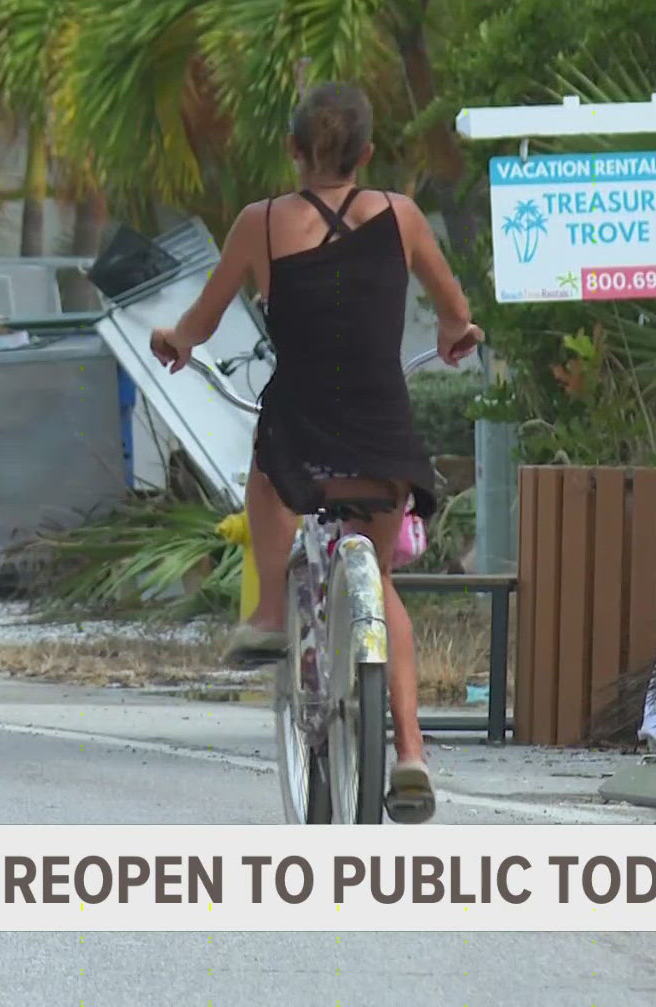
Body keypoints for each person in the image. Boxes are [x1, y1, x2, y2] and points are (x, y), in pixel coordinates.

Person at [150, 81, 483, 823]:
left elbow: (199, 324)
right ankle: (411, 755)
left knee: (267, 475)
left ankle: (271, 613)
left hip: (301, 424)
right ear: (367, 153)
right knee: (383, 581)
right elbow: (456, 314)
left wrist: (175, 341)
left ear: (294, 151)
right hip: (383, 433)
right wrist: (453, 336)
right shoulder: (401, 216)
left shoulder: (259, 224)